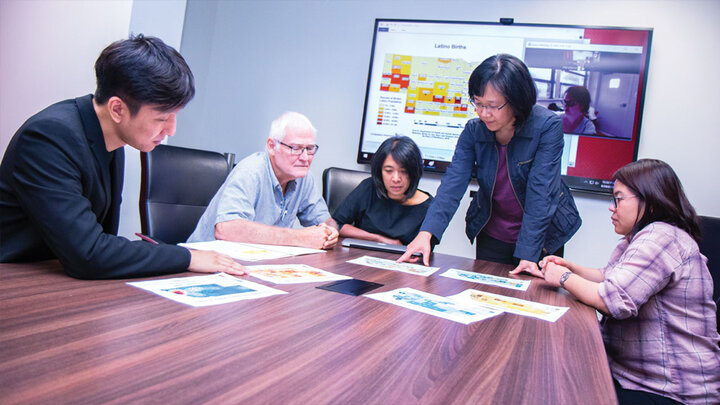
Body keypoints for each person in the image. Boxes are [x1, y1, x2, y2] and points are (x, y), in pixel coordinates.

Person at [0, 35, 245, 279]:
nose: (171, 130)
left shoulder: (111, 138)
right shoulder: (49, 137)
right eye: (162, 118)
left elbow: (102, 241)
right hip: (17, 280)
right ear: (117, 109)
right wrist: (188, 257)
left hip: (58, 277)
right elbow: (89, 253)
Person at [539, 159, 720, 405]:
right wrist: (569, 267)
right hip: (639, 378)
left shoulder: (660, 238)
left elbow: (613, 299)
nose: (612, 208)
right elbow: (608, 276)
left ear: (651, 201)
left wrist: (562, 278)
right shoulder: (641, 237)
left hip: (669, 391)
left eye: (619, 199)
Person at [399, 53, 581, 275]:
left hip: (541, 237)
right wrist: (426, 233)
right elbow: (452, 184)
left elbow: (541, 192)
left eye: (493, 106)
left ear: (516, 100)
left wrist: (528, 254)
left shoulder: (547, 126)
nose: (484, 113)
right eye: (478, 103)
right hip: (493, 232)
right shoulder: (473, 131)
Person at [187, 111, 338, 249]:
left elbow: (325, 221)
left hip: (257, 262)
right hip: (205, 263)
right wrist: (300, 237)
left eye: (310, 149)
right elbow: (227, 229)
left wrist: (330, 232)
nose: (305, 157)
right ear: (272, 146)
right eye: (296, 148)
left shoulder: (304, 178)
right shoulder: (251, 171)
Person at [333, 136, 433, 245]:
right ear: (380, 171)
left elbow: (424, 251)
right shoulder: (369, 187)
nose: (396, 179)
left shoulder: (430, 208)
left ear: (414, 173)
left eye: (403, 171)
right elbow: (336, 224)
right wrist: (378, 239)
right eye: (389, 171)